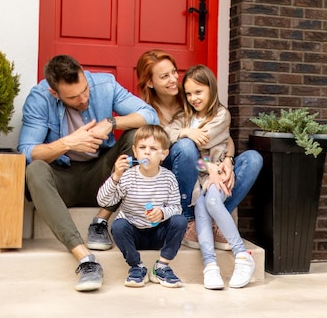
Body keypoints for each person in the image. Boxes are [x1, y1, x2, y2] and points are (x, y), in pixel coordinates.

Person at [17, 54, 159, 292]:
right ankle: (85, 259)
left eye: (84, 90)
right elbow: (27, 152)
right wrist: (68, 143)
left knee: (139, 137)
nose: (83, 99)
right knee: (35, 170)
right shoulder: (40, 98)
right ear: (55, 93)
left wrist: (112, 123)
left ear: (83, 73)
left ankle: (101, 220)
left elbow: (150, 116)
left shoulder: (104, 84)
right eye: (73, 97)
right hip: (64, 179)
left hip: (103, 176)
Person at [135, 49, 263, 250]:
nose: (173, 79)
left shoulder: (189, 102)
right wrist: (186, 133)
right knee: (186, 146)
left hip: (211, 168)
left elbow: (221, 138)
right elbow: (185, 145)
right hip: (176, 171)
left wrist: (228, 160)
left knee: (253, 159)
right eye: (164, 76)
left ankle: (215, 220)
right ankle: (187, 219)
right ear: (150, 82)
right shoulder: (150, 113)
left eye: (174, 72)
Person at [167, 64, 255, 289]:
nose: (193, 98)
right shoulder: (184, 117)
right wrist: (185, 131)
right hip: (201, 178)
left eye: (198, 92)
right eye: (188, 93)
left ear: (211, 89)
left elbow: (203, 142)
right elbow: (165, 134)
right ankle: (211, 267)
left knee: (212, 202)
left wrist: (225, 161)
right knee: (201, 209)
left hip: (215, 174)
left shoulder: (221, 115)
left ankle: (242, 256)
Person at [97, 125, 186, 288]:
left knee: (180, 221)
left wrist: (162, 213)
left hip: (158, 233)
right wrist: (116, 176)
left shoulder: (169, 178)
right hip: (133, 235)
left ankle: (162, 266)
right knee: (118, 225)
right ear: (135, 152)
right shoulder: (128, 176)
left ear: (163, 154)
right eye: (142, 148)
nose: (147, 152)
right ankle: (136, 266)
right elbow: (104, 201)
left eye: (153, 148)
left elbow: (176, 208)